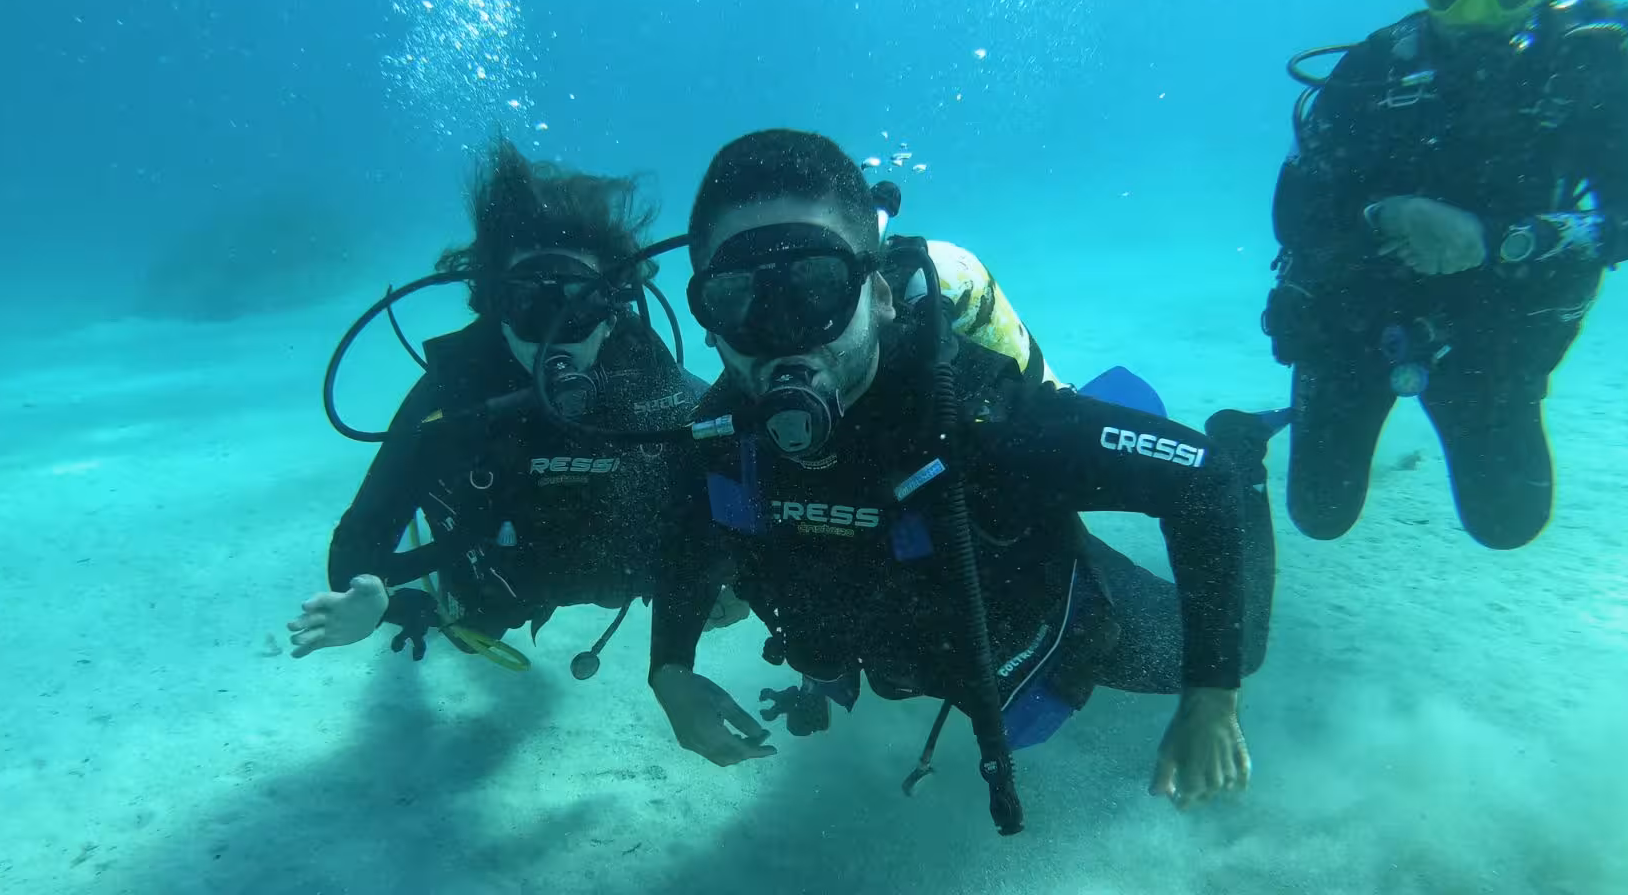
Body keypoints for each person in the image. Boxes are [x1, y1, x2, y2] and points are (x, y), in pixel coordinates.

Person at [647, 130, 1280, 835]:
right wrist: (668, 669)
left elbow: (1200, 479)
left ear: (880, 293)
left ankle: (1245, 435)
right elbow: (684, 534)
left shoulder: (984, 420)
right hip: (900, 644)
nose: (784, 333)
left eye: (817, 287)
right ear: (706, 318)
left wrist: (1211, 697)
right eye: (740, 298)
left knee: (1240, 646)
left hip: (1055, 621)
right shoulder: (718, 438)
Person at [1263, 0, 1628, 550]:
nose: (1478, 10)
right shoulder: (1377, 66)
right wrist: (1383, 217)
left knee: (1508, 523)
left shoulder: (1591, 66)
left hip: (1496, 327)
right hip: (1358, 314)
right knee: (1319, 513)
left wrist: (1508, 238)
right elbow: (1292, 213)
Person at [288, 139, 733, 676]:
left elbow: (733, 481)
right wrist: (382, 606)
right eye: (529, 307)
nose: (551, 340)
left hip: (613, 569)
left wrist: (729, 577)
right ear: (496, 313)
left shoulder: (650, 380)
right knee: (472, 637)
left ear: (611, 312)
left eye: (575, 305)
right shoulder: (457, 392)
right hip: (498, 580)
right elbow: (359, 544)